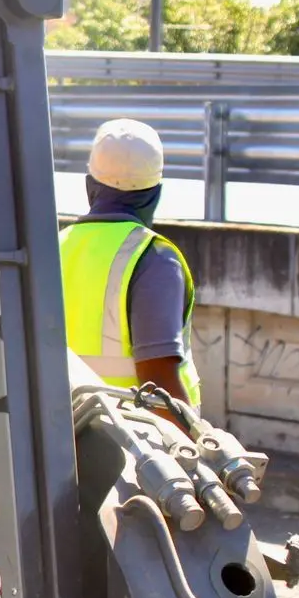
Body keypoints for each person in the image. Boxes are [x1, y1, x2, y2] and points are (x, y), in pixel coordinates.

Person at [59, 117, 202, 412]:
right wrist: (199, 445)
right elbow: (160, 387)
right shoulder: (155, 260)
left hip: (63, 431)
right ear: (155, 193)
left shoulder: (55, 247)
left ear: (90, 187)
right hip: (137, 442)